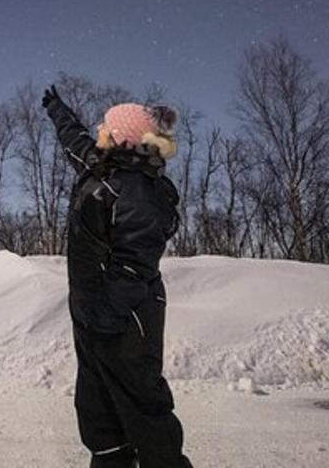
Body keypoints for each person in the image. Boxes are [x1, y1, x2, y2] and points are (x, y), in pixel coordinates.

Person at [42, 85, 192, 468]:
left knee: (143, 409)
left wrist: (104, 314)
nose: (98, 130)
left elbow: (133, 263)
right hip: (96, 316)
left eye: (105, 126)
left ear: (122, 137)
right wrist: (57, 110)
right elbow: (76, 142)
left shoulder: (138, 188)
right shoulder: (106, 167)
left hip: (125, 319)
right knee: (98, 414)